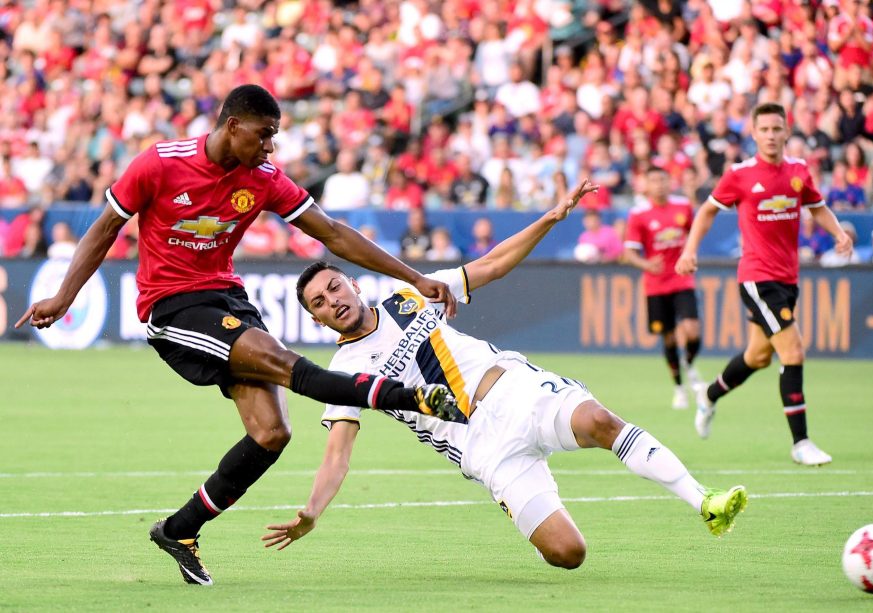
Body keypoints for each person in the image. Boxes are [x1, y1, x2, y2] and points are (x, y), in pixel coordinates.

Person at [15, 85, 459, 586]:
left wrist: (414, 277)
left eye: (274, 137)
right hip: (173, 305)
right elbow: (103, 231)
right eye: (264, 135)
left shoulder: (263, 178)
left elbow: (332, 232)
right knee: (289, 366)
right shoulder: (158, 164)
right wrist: (63, 296)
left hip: (228, 296)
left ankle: (180, 531)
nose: (270, 147)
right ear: (232, 125)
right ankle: (412, 398)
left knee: (272, 432)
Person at [262, 180, 748, 566]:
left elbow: (492, 265)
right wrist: (311, 512)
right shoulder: (343, 374)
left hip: (516, 391)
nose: (333, 301)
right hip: (483, 450)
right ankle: (538, 511)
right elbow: (337, 455)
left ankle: (704, 501)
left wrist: (551, 218)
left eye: (334, 287)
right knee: (568, 554)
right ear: (315, 319)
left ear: (351, 282)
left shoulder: (409, 295)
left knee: (599, 422)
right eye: (320, 303)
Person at [676, 102, 852, 466]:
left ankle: (708, 395)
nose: (771, 135)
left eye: (777, 129)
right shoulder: (739, 175)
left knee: (757, 356)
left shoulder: (799, 171)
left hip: (788, 278)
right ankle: (801, 443)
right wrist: (689, 249)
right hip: (757, 277)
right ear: (754, 134)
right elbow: (707, 210)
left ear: (787, 131)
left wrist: (839, 234)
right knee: (793, 351)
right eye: (764, 130)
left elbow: (816, 206)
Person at [622, 167, 702, 410]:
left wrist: (689, 253)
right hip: (656, 286)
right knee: (668, 338)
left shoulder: (683, 207)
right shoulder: (639, 214)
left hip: (682, 279)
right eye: (654, 180)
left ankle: (689, 364)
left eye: (663, 179)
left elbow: (695, 233)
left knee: (692, 331)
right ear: (646, 184)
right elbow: (629, 252)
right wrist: (646, 263)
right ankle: (679, 387)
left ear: (670, 182)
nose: (659, 184)